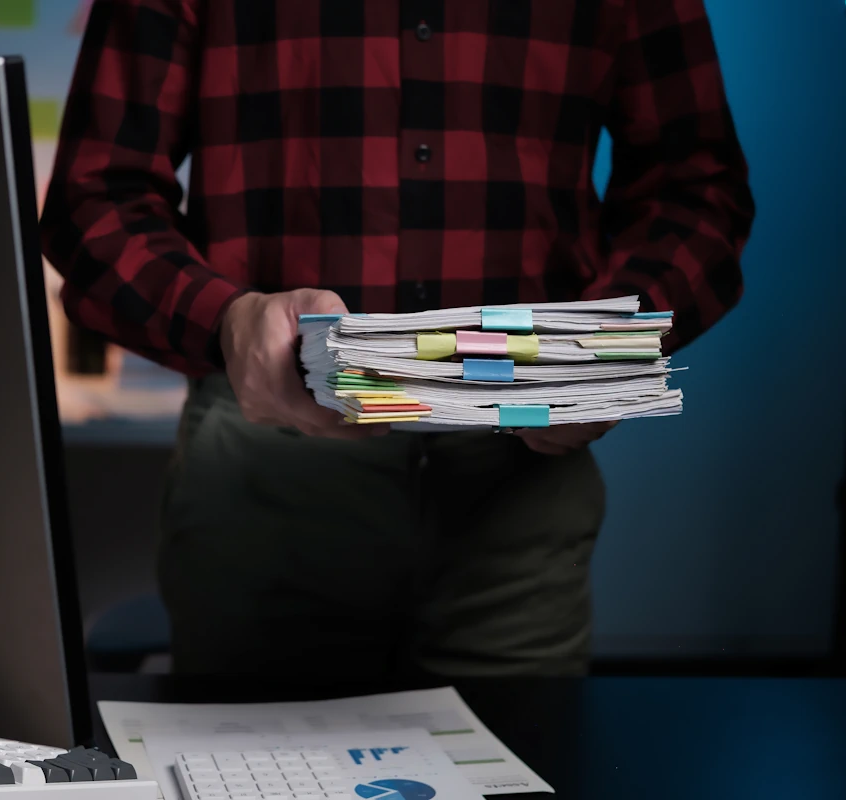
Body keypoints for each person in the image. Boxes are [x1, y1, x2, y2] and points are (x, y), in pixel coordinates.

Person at [41, 0, 754, 677]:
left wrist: (604, 347)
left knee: (525, 763)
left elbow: (696, 192)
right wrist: (224, 318)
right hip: (264, 477)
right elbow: (94, 198)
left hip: (520, 488)